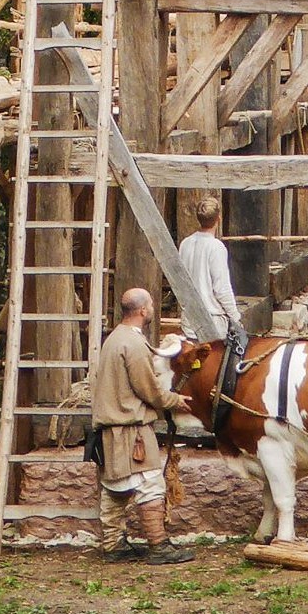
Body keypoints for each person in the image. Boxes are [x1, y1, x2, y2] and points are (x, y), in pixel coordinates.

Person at [90, 287, 194, 563]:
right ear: (142, 311)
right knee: (150, 484)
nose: (153, 308)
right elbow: (148, 388)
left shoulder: (114, 338)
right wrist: (174, 400)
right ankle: (158, 546)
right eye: (151, 305)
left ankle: (112, 546)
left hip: (112, 429)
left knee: (115, 488)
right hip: (130, 429)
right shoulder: (133, 344)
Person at [177, 194, 243, 341]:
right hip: (211, 319)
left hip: (189, 318)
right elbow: (221, 288)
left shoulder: (185, 244)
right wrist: (235, 316)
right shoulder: (216, 247)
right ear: (218, 219)